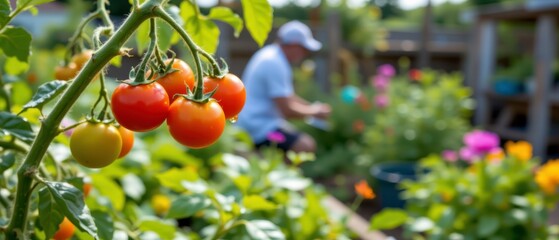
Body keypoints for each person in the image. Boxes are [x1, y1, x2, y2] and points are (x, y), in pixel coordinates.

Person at [236, 20, 331, 153]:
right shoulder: (275, 63)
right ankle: (278, 173)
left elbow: (287, 96)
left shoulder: (271, 55)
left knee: (293, 134)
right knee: (305, 145)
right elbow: (287, 110)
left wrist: (312, 107)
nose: (304, 54)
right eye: (303, 49)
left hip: (257, 123)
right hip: (257, 127)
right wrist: (315, 112)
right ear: (293, 45)